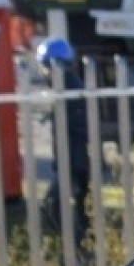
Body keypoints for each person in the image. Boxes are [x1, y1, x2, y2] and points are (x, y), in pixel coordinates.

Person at [36, 38, 91, 252]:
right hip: (74, 159)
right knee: (78, 209)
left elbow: (75, 130)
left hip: (72, 161)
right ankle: (81, 248)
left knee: (55, 206)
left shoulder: (67, 91)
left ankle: (78, 249)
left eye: (44, 66)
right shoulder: (68, 87)